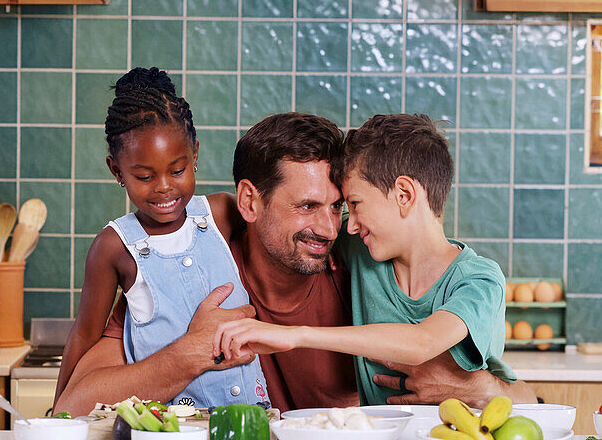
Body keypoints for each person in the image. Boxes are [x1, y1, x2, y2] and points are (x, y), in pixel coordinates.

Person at [55, 113, 536, 417]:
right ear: (249, 200)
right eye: (307, 207)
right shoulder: (192, 272)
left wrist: (479, 386)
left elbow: (531, 404)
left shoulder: (361, 263)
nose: (330, 229)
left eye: (339, 207)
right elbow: (75, 404)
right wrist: (193, 352)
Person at [213, 113, 517, 407]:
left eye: (352, 205)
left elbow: (422, 343)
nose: (341, 228)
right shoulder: (362, 251)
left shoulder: (480, 278)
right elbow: (251, 217)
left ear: (404, 195)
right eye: (345, 208)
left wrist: (294, 336)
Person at [53, 67, 269, 410]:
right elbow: (84, 334)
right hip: (169, 430)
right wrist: (58, 412)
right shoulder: (114, 246)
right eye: (144, 176)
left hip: (251, 418)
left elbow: (275, 236)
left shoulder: (221, 214)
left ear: (195, 154)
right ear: (117, 171)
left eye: (177, 170)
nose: (164, 187)